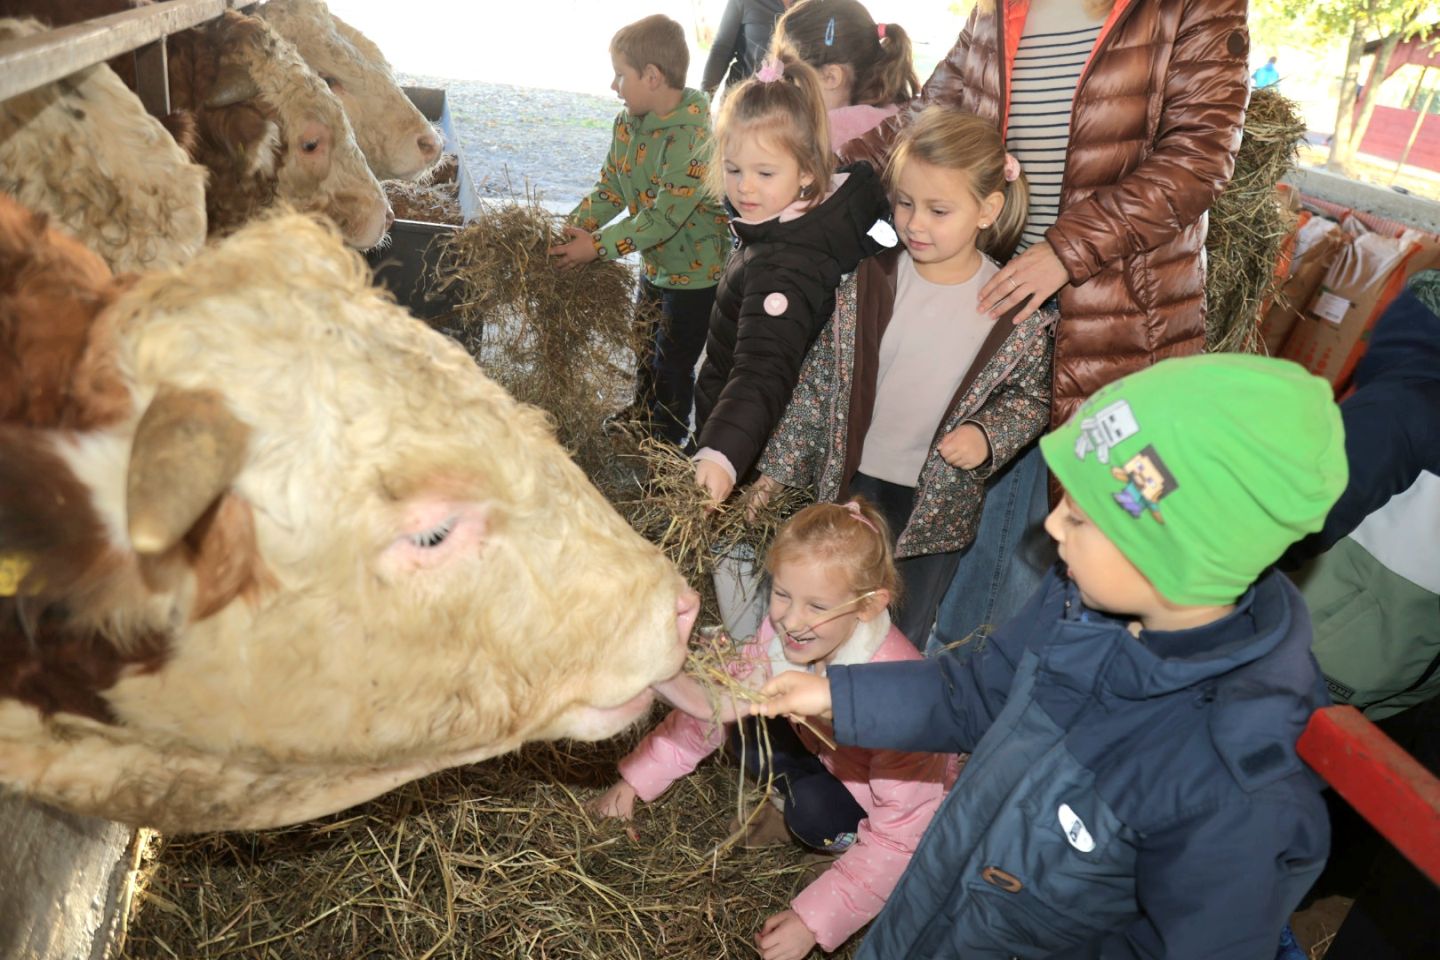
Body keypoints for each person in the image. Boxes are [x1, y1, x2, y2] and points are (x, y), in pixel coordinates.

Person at [754, 353, 1349, 959]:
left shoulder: (1234, 785)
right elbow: (977, 692)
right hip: (930, 910)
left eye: (1084, 518)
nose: (1056, 525)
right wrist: (834, 693)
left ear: (1176, 556)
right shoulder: (1080, 600)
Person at [838, 0, 1252, 656]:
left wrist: (1065, 251)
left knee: (1053, 534)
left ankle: (979, 694)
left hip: (1112, 312)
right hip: (997, 297)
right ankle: (933, 682)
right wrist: (828, 172)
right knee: (974, 523)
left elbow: (1200, 156)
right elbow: (937, 109)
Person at [589, 499, 955, 960]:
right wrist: (635, 780)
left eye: (816, 605)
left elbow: (902, 832)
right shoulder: (782, 638)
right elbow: (715, 706)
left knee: (814, 814)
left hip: (878, 799)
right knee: (744, 732)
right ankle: (787, 809)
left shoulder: (898, 703)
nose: (790, 621)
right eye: (782, 594)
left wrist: (812, 922)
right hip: (824, 750)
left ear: (868, 606)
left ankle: (836, 852)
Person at [750, 107, 1054, 645]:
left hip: (932, 511)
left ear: (987, 210)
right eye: (905, 203)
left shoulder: (1013, 311)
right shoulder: (868, 284)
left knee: (897, 632)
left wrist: (987, 435)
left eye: (939, 210)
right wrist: (776, 473)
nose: (914, 224)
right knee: (824, 607)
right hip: (850, 486)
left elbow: (1030, 398)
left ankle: (881, 694)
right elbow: (819, 386)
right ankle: (807, 689)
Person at [690, 49, 892, 504]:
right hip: (764, 439)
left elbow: (763, 370)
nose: (744, 186)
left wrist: (721, 454)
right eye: (733, 169)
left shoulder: (783, 266)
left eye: (764, 172)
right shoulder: (820, 216)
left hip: (754, 452)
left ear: (805, 172)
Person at [550, 14, 731, 445]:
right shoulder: (628, 123)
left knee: (672, 362)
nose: (613, 86)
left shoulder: (694, 138)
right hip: (655, 265)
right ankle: (642, 412)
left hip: (696, 275)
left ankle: (664, 440)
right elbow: (611, 187)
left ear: (652, 76)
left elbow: (664, 218)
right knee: (645, 345)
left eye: (620, 75)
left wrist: (596, 247)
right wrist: (572, 229)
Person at [771, 0, 918, 151]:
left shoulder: (820, 140)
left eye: (790, 79)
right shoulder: (894, 120)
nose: (785, 94)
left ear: (831, 77)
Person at [702, 0, 791, 98]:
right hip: (742, 98)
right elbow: (721, 50)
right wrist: (704, 98)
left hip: (793, 100)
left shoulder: (805, 6)